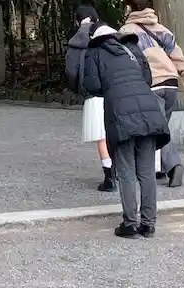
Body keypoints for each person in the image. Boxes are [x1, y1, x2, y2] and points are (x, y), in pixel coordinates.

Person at [66, 13, 169, 239]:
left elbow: (92, 85)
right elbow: (147, 77)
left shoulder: (95, 51)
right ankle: (148, 224)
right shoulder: (131, 46)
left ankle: (130, 224)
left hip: (121, 112)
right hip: (148, 110)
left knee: (126, 171)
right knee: (146, 171)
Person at [120, 0, 184, 189]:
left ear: (128, 8)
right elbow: (176, 54)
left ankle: (174, 165)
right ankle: (161, 168)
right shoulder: (162, 30)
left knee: (156, 129)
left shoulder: (126, 32)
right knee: (161, 126)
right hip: (171, 83)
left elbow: (127, 61)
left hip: (151, 84)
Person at [68, 4, 116, 190]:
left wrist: (79, 88)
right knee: (118, 131)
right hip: (116, 89)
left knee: (101, 136)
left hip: (93, 92)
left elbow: (71, 71)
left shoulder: (76, 40)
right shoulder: (111, 34)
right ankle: (124, 170)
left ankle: (109, 176)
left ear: (78, 21)